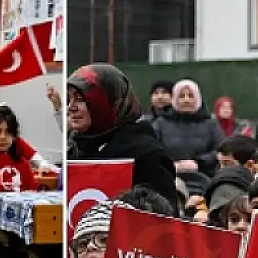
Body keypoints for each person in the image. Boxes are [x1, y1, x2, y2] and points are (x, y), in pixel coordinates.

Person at [65, 64, 179, 212]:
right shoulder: (75, 150)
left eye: (80, 99)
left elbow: (165, 222)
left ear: (108, 102)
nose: (71, 107)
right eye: (70, 98)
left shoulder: (146, 154)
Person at [151, 80, 222, 191]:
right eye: (181, 96)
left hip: (204, 180)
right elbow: (152, 150)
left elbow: (220, 151)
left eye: (190, 96)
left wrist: (198, 163)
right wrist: (171, 165)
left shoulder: (211, 124)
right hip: (168, 179)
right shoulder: (160, 124)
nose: (186, 100)